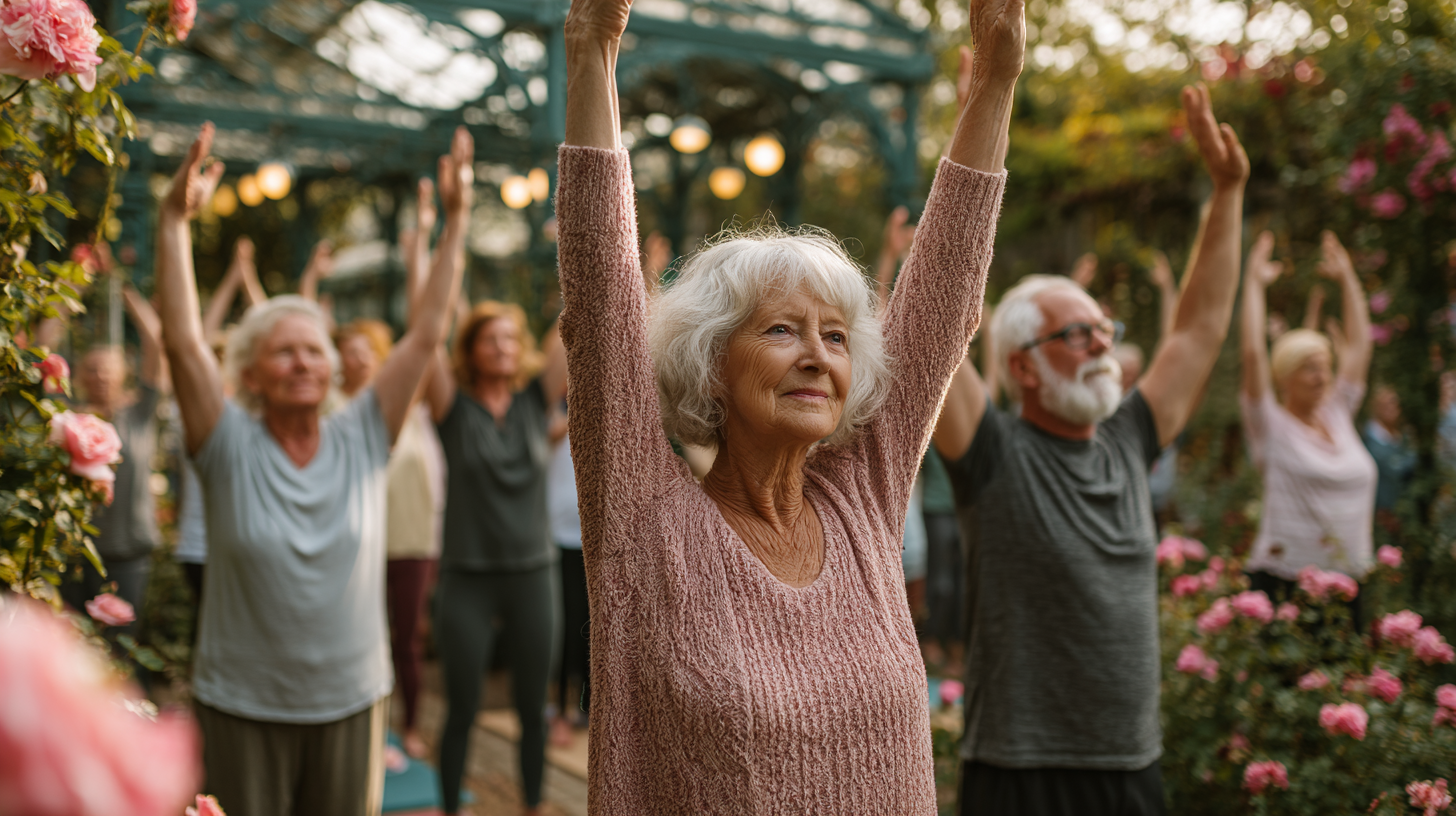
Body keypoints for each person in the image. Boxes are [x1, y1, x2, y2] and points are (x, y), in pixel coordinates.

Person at [556, 0, 1020, 808]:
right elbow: (599, 305)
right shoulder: (645, 524)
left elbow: (942, 299)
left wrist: (996, 84)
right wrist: (592, 52)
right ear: (711, 366)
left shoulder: (862, 501)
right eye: (781, 329)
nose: (817, 354)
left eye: (836, 337)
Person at [933, 83, 1249, 815]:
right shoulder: (991, 454)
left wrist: (1227, 191)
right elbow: (940, 318)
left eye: (1104, 328)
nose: (1103, 344)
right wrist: (985, 106)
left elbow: (1199, 329)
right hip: (1018, 774)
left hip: (1132, 767)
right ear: (1023, 367)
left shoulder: (1130, 440)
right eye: (1079, 334)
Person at [155, 123, 473, 816]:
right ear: (251, 374)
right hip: (241, 702)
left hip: (351, 700)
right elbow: (181, 342)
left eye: (313, 350)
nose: (303, 361)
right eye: (283, 352)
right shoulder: (226, 442)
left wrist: (456, 221)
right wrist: (174, 221)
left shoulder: (363, 430)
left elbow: (425, 333)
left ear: (332, 367)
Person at [425, 288, 568, 814]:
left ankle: (532, 806)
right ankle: (450, 808)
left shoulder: (537, 401)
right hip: (467, 577)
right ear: (471, 349)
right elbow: (425, 333)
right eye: (490, 338)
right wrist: (428, 252)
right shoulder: (452, 408)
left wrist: (579, 251)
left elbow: (571, 325)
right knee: (462, 707)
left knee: (534, 709)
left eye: (510, 337)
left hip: (533, 575)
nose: (503, 346)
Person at [1240, 230, 1377, 589]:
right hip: (1285, 583)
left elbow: (1361, 346)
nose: (1323, 377)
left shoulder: (1339, 414)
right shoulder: (1270, 425)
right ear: (1285, 377)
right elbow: (1253, 355)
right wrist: (1253, 284)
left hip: (1349, 584)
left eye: (1326, 366)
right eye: (1310, 368)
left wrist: (1348, 278)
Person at [61, 284, 166, 652]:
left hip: (129, 556)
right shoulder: (69, 420)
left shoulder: (139, 415)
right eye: (92, 369)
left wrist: (126, 293)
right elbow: (41, 352)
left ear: (122, 373)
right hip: (76, 555)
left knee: (120, 649)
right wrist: (72, 288)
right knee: (74, 651)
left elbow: (155, 342)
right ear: (80, 376)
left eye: (108, 369)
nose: (101, 376)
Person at [176, 237, 266, 605]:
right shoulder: (197, 412)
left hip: (249, 551)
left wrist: (246, 280)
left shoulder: (258, 410)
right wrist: (232, 281)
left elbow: (269, 332)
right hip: (200, 550)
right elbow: (192, 339)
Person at [1362, 384, 1416, 516]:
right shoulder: (1369, 438)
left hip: (1403, 508)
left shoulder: (1403, 435)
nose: (1390, 409)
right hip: (1379, 511)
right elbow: (1390, 468)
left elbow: (1412, 463)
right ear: (1376, 408)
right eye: (1385, 405)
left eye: (1394, 404)